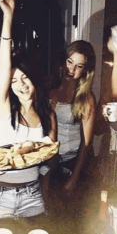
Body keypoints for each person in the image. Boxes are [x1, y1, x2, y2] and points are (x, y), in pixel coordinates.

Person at [0, 0, 57, 219]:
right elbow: (4, 64)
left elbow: (48, 158)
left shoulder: (47, 113)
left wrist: (46, 190)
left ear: (34, 79)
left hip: (32, 193)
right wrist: (8, 17)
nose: (21, 84)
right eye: (14, 81)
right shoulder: (3, 108)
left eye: (25, 78)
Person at [49, 40, 96, 195]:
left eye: (79, 66)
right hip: (51, 162)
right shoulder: (51, 89)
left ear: (85, 70)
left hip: (73, 164)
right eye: (70, 62)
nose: (72, 69)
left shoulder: (86, 98)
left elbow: (86, 143)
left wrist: (74, 177)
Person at [95, 31, 117, 190]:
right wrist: (103, 116)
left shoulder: (116, 91)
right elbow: (97, 131)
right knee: (105, 207)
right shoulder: (107, 90)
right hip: (108, 161)